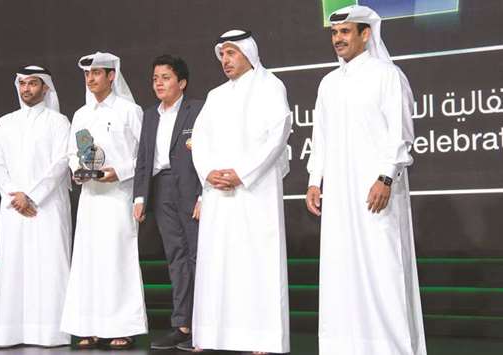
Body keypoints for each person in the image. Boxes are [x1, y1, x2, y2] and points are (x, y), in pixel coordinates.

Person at [305, 5, 427, 355]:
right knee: (340, 270)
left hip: (378, 190)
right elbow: (322, 136)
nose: (338, 39)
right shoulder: (328, 83)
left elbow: (401, 134)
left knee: (383, 270)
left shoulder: (387, 75)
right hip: (339, 195)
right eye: (334, 33)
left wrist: (385, 177)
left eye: (346, 32)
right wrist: (315, 180)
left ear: (365, 34)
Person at [191, 30, 291, 354]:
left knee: (258, 262)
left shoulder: (271, 87)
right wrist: (208, 172)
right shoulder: (215, 95)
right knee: (217, 263)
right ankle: (213, 336)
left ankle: (263, 338)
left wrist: (242, 173)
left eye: (231, 53)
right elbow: (200, 140)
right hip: (218, 192)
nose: (225, 60)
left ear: (249, 53)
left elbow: (277, 136)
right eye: (222, 54)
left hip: (255, 191)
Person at [60, 52, 147, 350]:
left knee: (117, 261)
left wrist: (119, 172)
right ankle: (88, 326)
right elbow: (73, 153)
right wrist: (77, 171)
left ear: (112, 76)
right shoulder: (81, 115)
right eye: (87, 74)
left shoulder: (129, 110)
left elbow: (146, 158)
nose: (91, 78)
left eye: (97, 73)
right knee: (88, 262)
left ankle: (122, 327)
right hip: (90, 198)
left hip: (118, 198)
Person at [0, 65, 72, 347]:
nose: (27, 89)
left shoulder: (59, 122)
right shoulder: (5, 122)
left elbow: (61, 163)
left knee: (49, 266)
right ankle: (12, 333)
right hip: (15, 207)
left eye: (33, 84)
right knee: (15, 268)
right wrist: (14, 194)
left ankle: (52, 334)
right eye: (22, 84)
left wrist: (32, 195)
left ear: (45, 87)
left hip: (47, 207)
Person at [132, 54, 203, 351]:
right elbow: (143, 159)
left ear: (182, 83)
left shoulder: (198, 110)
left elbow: (210, 152)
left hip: (191, 187)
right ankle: (182, 324)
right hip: (161, 189)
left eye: (165, 77)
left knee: (198, 255)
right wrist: (139, 196)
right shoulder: (149, 115)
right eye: (155, 78)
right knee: (175, 256)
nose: (158, 83)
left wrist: (204, 193)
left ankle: (204, 324)